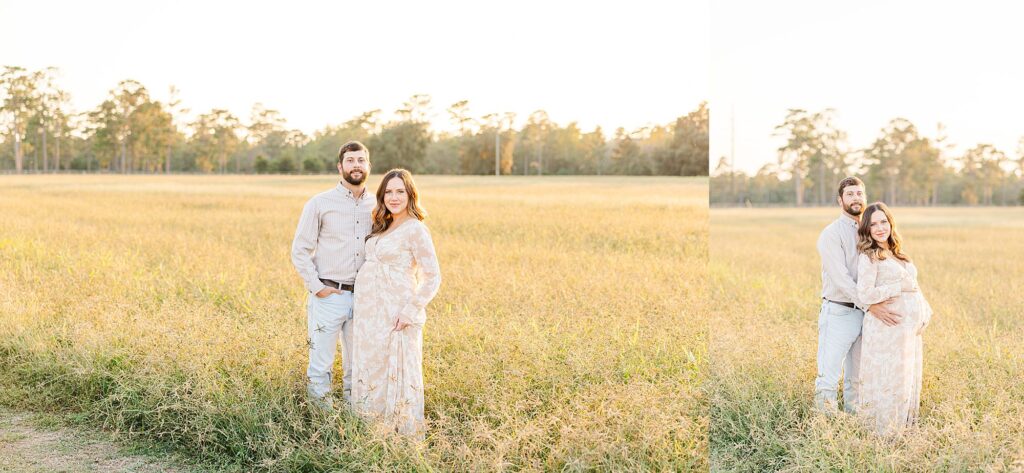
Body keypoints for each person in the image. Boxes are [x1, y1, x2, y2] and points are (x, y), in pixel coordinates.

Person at [350, 169, 441, 438]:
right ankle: (370, 431)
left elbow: (432, 276)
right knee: (371, 369)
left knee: (398, 371)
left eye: (400, 191)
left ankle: (399, 436)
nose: (394, 196)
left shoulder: (416, 229)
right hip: (369, 316)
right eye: (388, 191)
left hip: (397, 314)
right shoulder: (382, 225)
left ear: (410, 194)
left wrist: (411, 310)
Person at [290, 141, 374, 407]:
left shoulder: (378, 203)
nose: (356, 165)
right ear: (340, 167)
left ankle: (356, 419)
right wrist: (317, 287)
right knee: (320, 364)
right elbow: (300, 250)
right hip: (329, 294)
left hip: (365, 298)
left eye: (361, 160)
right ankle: (320, 423)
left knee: (358, 364)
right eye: (350, 160)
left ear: (368, 165)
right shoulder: (320, 203)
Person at [814, 177, 903, 413]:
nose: (856, 198)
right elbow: (841, 279)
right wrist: (870, 305)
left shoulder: (872, 231)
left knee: (858, 377)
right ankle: (824, 430)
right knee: (828, 376)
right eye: (850, 194)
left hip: (869, 316)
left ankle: (854, 424)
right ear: (840, 200)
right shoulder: (831, 234)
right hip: (840, 311)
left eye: (859, 193)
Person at [855, 202, 932, 434]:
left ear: (890, 223)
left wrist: (925, 311)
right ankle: (881, 434)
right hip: (885, 330)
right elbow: (865, 294)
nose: (879, 228)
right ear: (867, 229)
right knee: (887, 379)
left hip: (907, 333)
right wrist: (897, 286)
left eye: (883, 222)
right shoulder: (869, 256)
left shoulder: (899, 254)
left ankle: (902, 430)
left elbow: (914, 287)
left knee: (904, 379)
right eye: (873, 224)